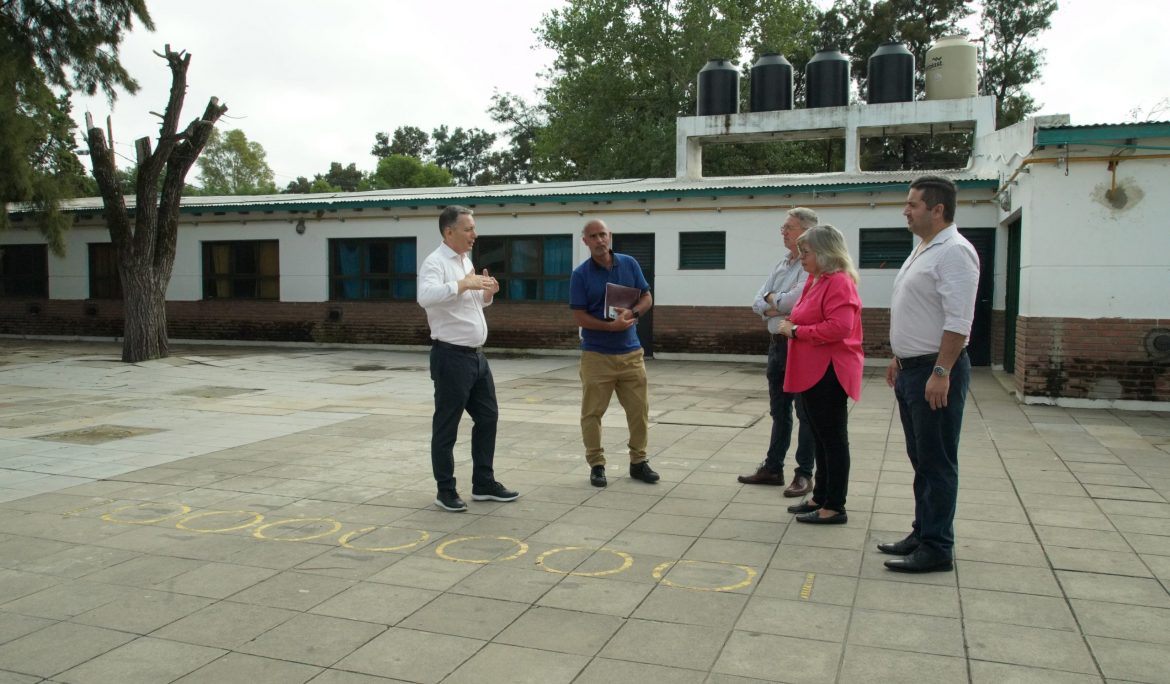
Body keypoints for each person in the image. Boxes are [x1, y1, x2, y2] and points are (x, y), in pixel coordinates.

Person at [880, 175, 979, 572]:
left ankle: (937, 546)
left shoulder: (954, 251)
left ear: (938, 210)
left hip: (933, 371)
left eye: (913, 204)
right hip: (911, 368)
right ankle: (922, 531)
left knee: (937, 460)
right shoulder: (924, 248)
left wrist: (942, 370)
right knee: (921, 457)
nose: (906, 210)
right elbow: (919, 311)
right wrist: (898, 357)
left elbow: (959, 320)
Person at [417, 205, 518, 512]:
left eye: (474, 228)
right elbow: (426, 297)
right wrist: (464, 284)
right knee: (447, 426)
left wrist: (486, 293)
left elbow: (471, 303)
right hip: (451, 357)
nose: (475, 234)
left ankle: (483, 483)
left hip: (476, 358)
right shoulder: (435, 262)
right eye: (468, 229)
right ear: (449, 232)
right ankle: (445, 490)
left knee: (488, 417)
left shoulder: (465, 260)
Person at [777, 224, 863, 525]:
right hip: (811, 371)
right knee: (820, 436)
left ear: (825, 252)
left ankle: (834, 505)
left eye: (807, 252)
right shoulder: (817, 280)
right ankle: (821, 495)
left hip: (828, 372)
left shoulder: (839, 281)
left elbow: (840, 327)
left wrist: (796, 330)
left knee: (833, 439)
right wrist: (793, 322)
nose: (801, 257)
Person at [569, 219, 659, 488]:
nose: (600, 240)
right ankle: (597, 465)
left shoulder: (629, 263)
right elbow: (579, 316)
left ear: (611, 237)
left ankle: (638, 462)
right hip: (596, 355)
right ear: (585, 241)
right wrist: (610, 328)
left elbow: (647, 296)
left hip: (631, 353)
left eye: (603, 235)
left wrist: (633, 313)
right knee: (592, 413)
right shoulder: (580, 274)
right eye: (593, 236)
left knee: (639, 411)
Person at [740, 207, 818, 497]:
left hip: (800, 347)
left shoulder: (814, 266)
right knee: (779, 410)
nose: (784, 233)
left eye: (790, 227)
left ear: (807, 232)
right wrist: (775, 304)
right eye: (783, 228)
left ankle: (803, 473)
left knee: (804, 412)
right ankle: (773, 467)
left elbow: (794, 306)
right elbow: (757, 302)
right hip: (777, 346)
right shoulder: (782, 264)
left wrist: (773, 303)